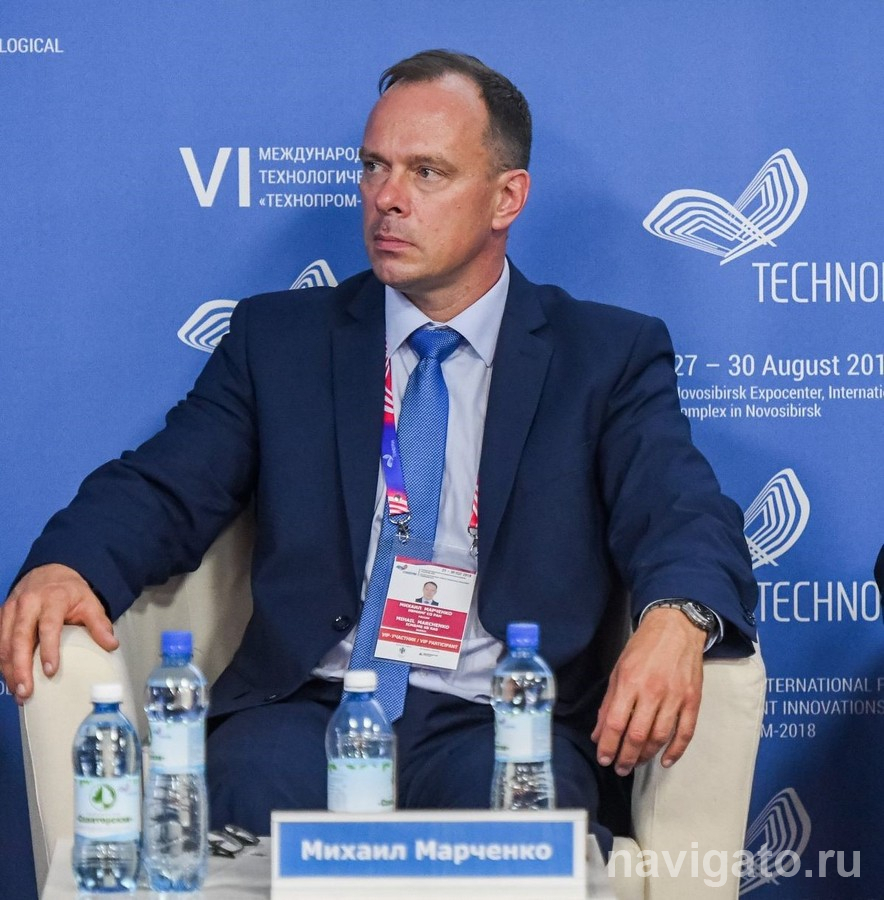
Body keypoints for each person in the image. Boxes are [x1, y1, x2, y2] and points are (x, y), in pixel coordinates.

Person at [0, 50, 757, 854]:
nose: (387, 199)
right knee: (232, 813)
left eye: (427, 172)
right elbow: (164, 488)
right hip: (308, 709)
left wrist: (679, 615)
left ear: (507, 197)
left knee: (522, 833)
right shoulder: (280, 341)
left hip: (500, 721)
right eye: (374, 167)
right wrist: (68, 565)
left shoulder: (603, 356)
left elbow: (679, 506)